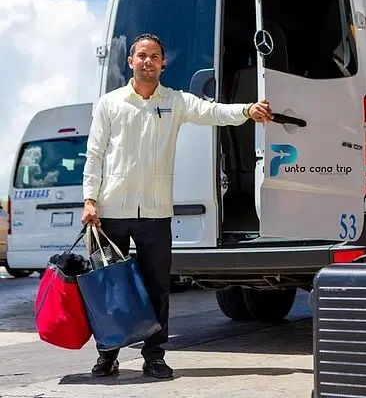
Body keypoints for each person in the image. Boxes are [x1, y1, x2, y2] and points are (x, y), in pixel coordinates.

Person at [81, 33, 273, 379]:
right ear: (131, 61)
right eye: (142, 55)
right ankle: (107, 354)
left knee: (158, 287)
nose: (148, 61)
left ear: (163, 63)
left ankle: (154, 356)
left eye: (155, 56)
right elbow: (94, 154)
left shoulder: (175, 101)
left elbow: (212, 112)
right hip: (111, 210)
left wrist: (246, 110)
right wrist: (90, 199)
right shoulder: (109, 104)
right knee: (111, 286)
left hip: (155, 212)